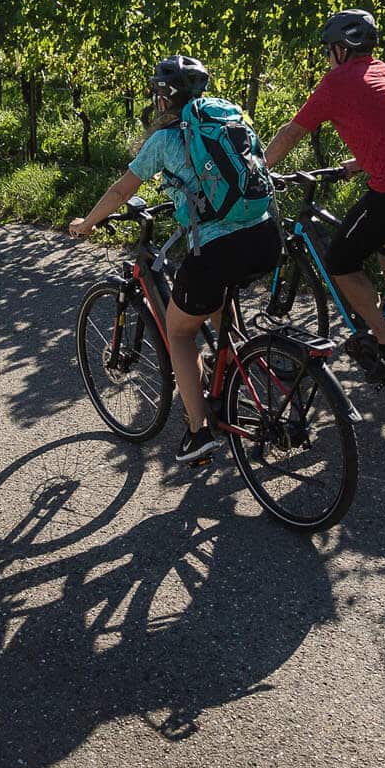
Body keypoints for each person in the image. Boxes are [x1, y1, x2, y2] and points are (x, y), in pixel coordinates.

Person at [69, 54, 282, 463]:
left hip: (219, 248)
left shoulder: (165, 140)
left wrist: (89, 224)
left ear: (164, 98)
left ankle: (198, 432)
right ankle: (236, 376)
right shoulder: (227, 117)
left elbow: (119, 192)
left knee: (180, 332)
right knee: (215, 307)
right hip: (266, 234)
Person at [263, 9, 385, 376]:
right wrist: (357, 163)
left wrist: (258, 169)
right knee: (384, 227)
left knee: (340, 262)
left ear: (340, 48)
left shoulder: (336, 83)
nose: (326, 57)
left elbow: (292, 132)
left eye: (327, 50)